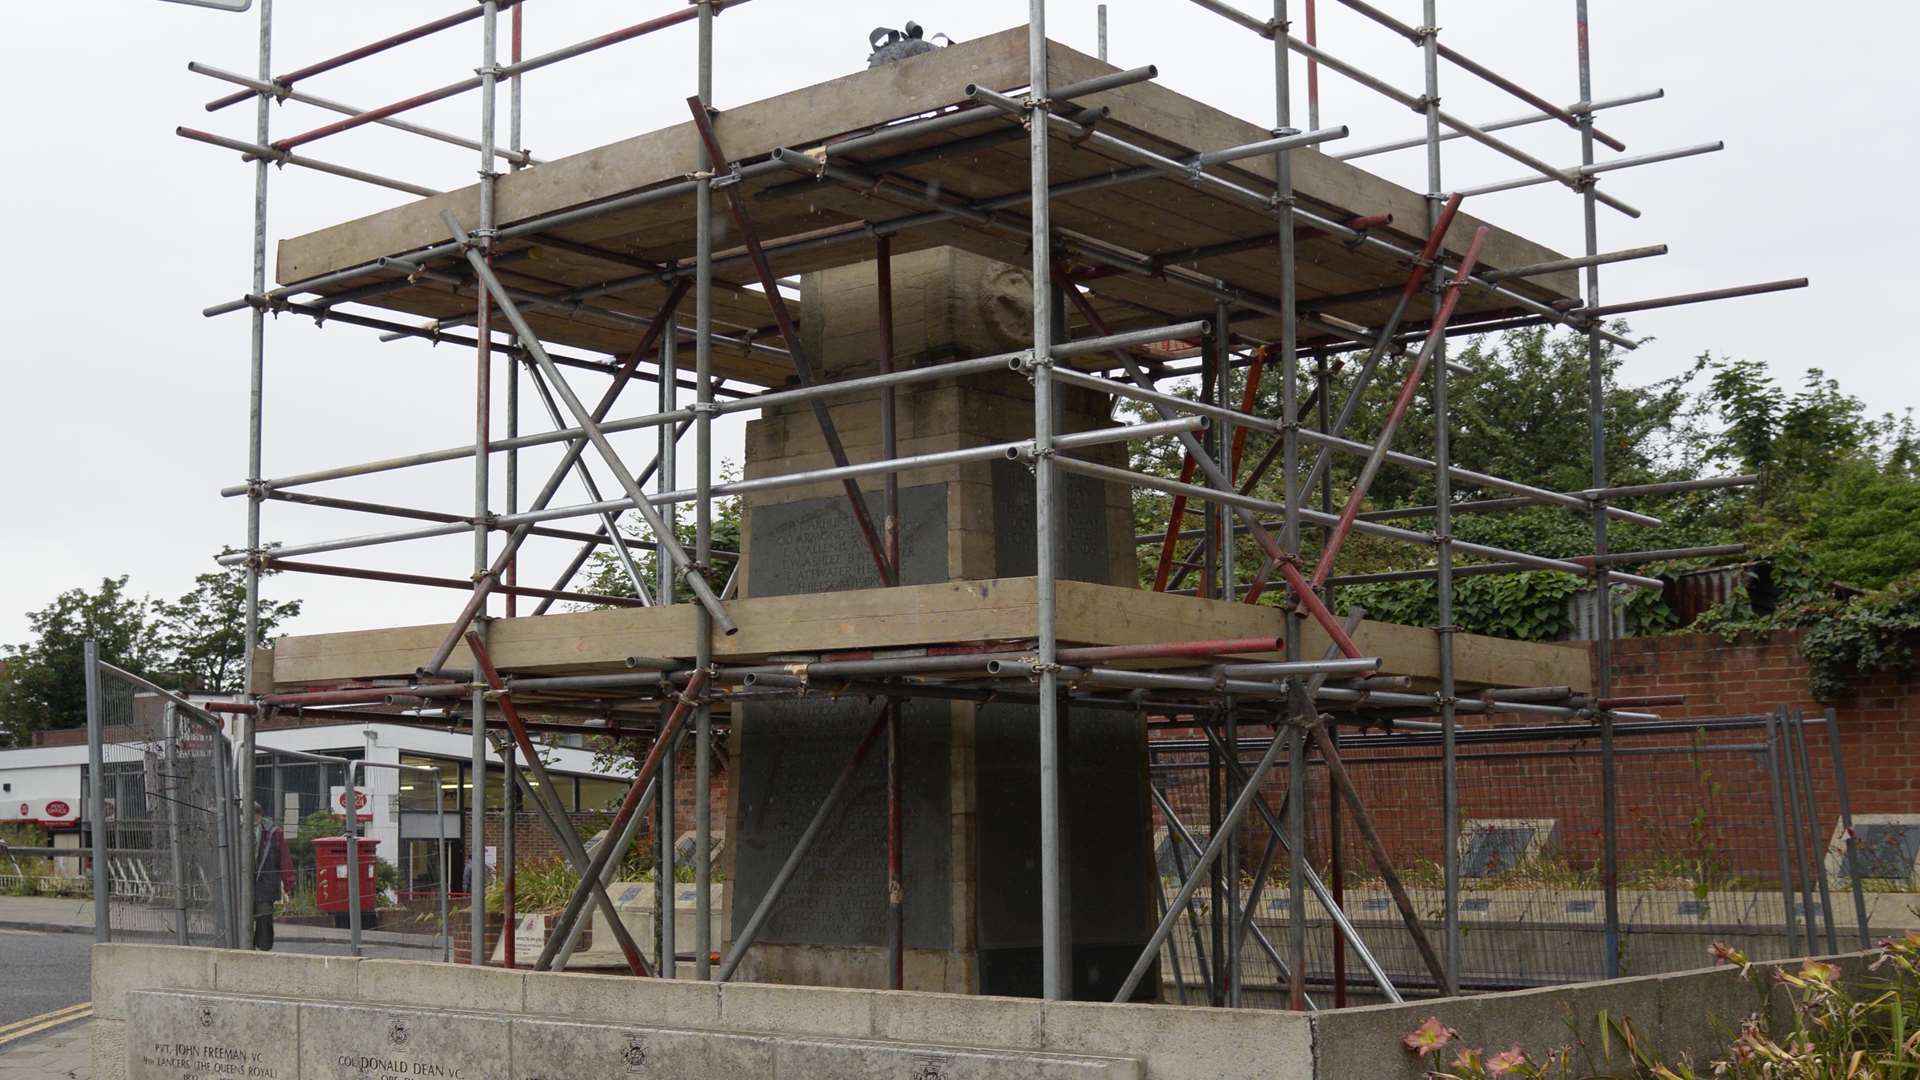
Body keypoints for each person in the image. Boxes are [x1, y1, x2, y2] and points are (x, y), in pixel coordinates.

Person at [252, 803, 294, 951]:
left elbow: (284, 859)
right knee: (247, 921)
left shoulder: (274, 833)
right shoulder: (236, 829)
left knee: (264, 919)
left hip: (265, 886)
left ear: (260, 815)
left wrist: (288, 885)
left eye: (255, 815)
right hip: (246, 886)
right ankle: (247, 949)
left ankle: (263, 949)